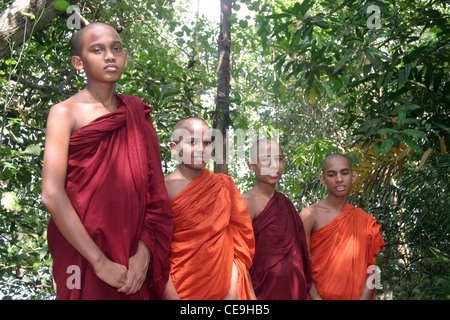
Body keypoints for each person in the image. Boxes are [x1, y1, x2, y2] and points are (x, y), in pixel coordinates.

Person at [41, 22, 174, 300]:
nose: (110, 56)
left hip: (133, 252)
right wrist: (99, 262)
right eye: (97, 50)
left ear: (125, 57)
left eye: (116, 48)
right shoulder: (65, 113)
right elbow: (52, 194)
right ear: (79, 62)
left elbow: (155, 193)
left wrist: (145, 251)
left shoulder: (136, 113)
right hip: (81, 248)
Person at [163, 117, 255, 300]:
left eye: (206, 143)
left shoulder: (223, 185)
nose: (201, 149)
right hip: (179, 287)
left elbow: (241, 241)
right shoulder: (162, 189)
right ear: (174, 148)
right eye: (191, 142)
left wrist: (232, 289)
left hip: (227, 288)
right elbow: (157, 250)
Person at [300, 153, 385, 300]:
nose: (339, 179)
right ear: (323, 179)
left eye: (344, 173)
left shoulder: (365, 220)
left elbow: (373, 269)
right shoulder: (310, 215)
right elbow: (300, 264)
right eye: (332, 175)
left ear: (353, 176)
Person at [243, 138, 314, 300]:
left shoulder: (285, 203)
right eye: (266, 159)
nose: (274, 165)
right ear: (252, 166)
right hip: (262, 293)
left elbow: (300, 255)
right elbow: (240, 261)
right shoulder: (246, 204)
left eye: (279, 159)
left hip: (294, 290)